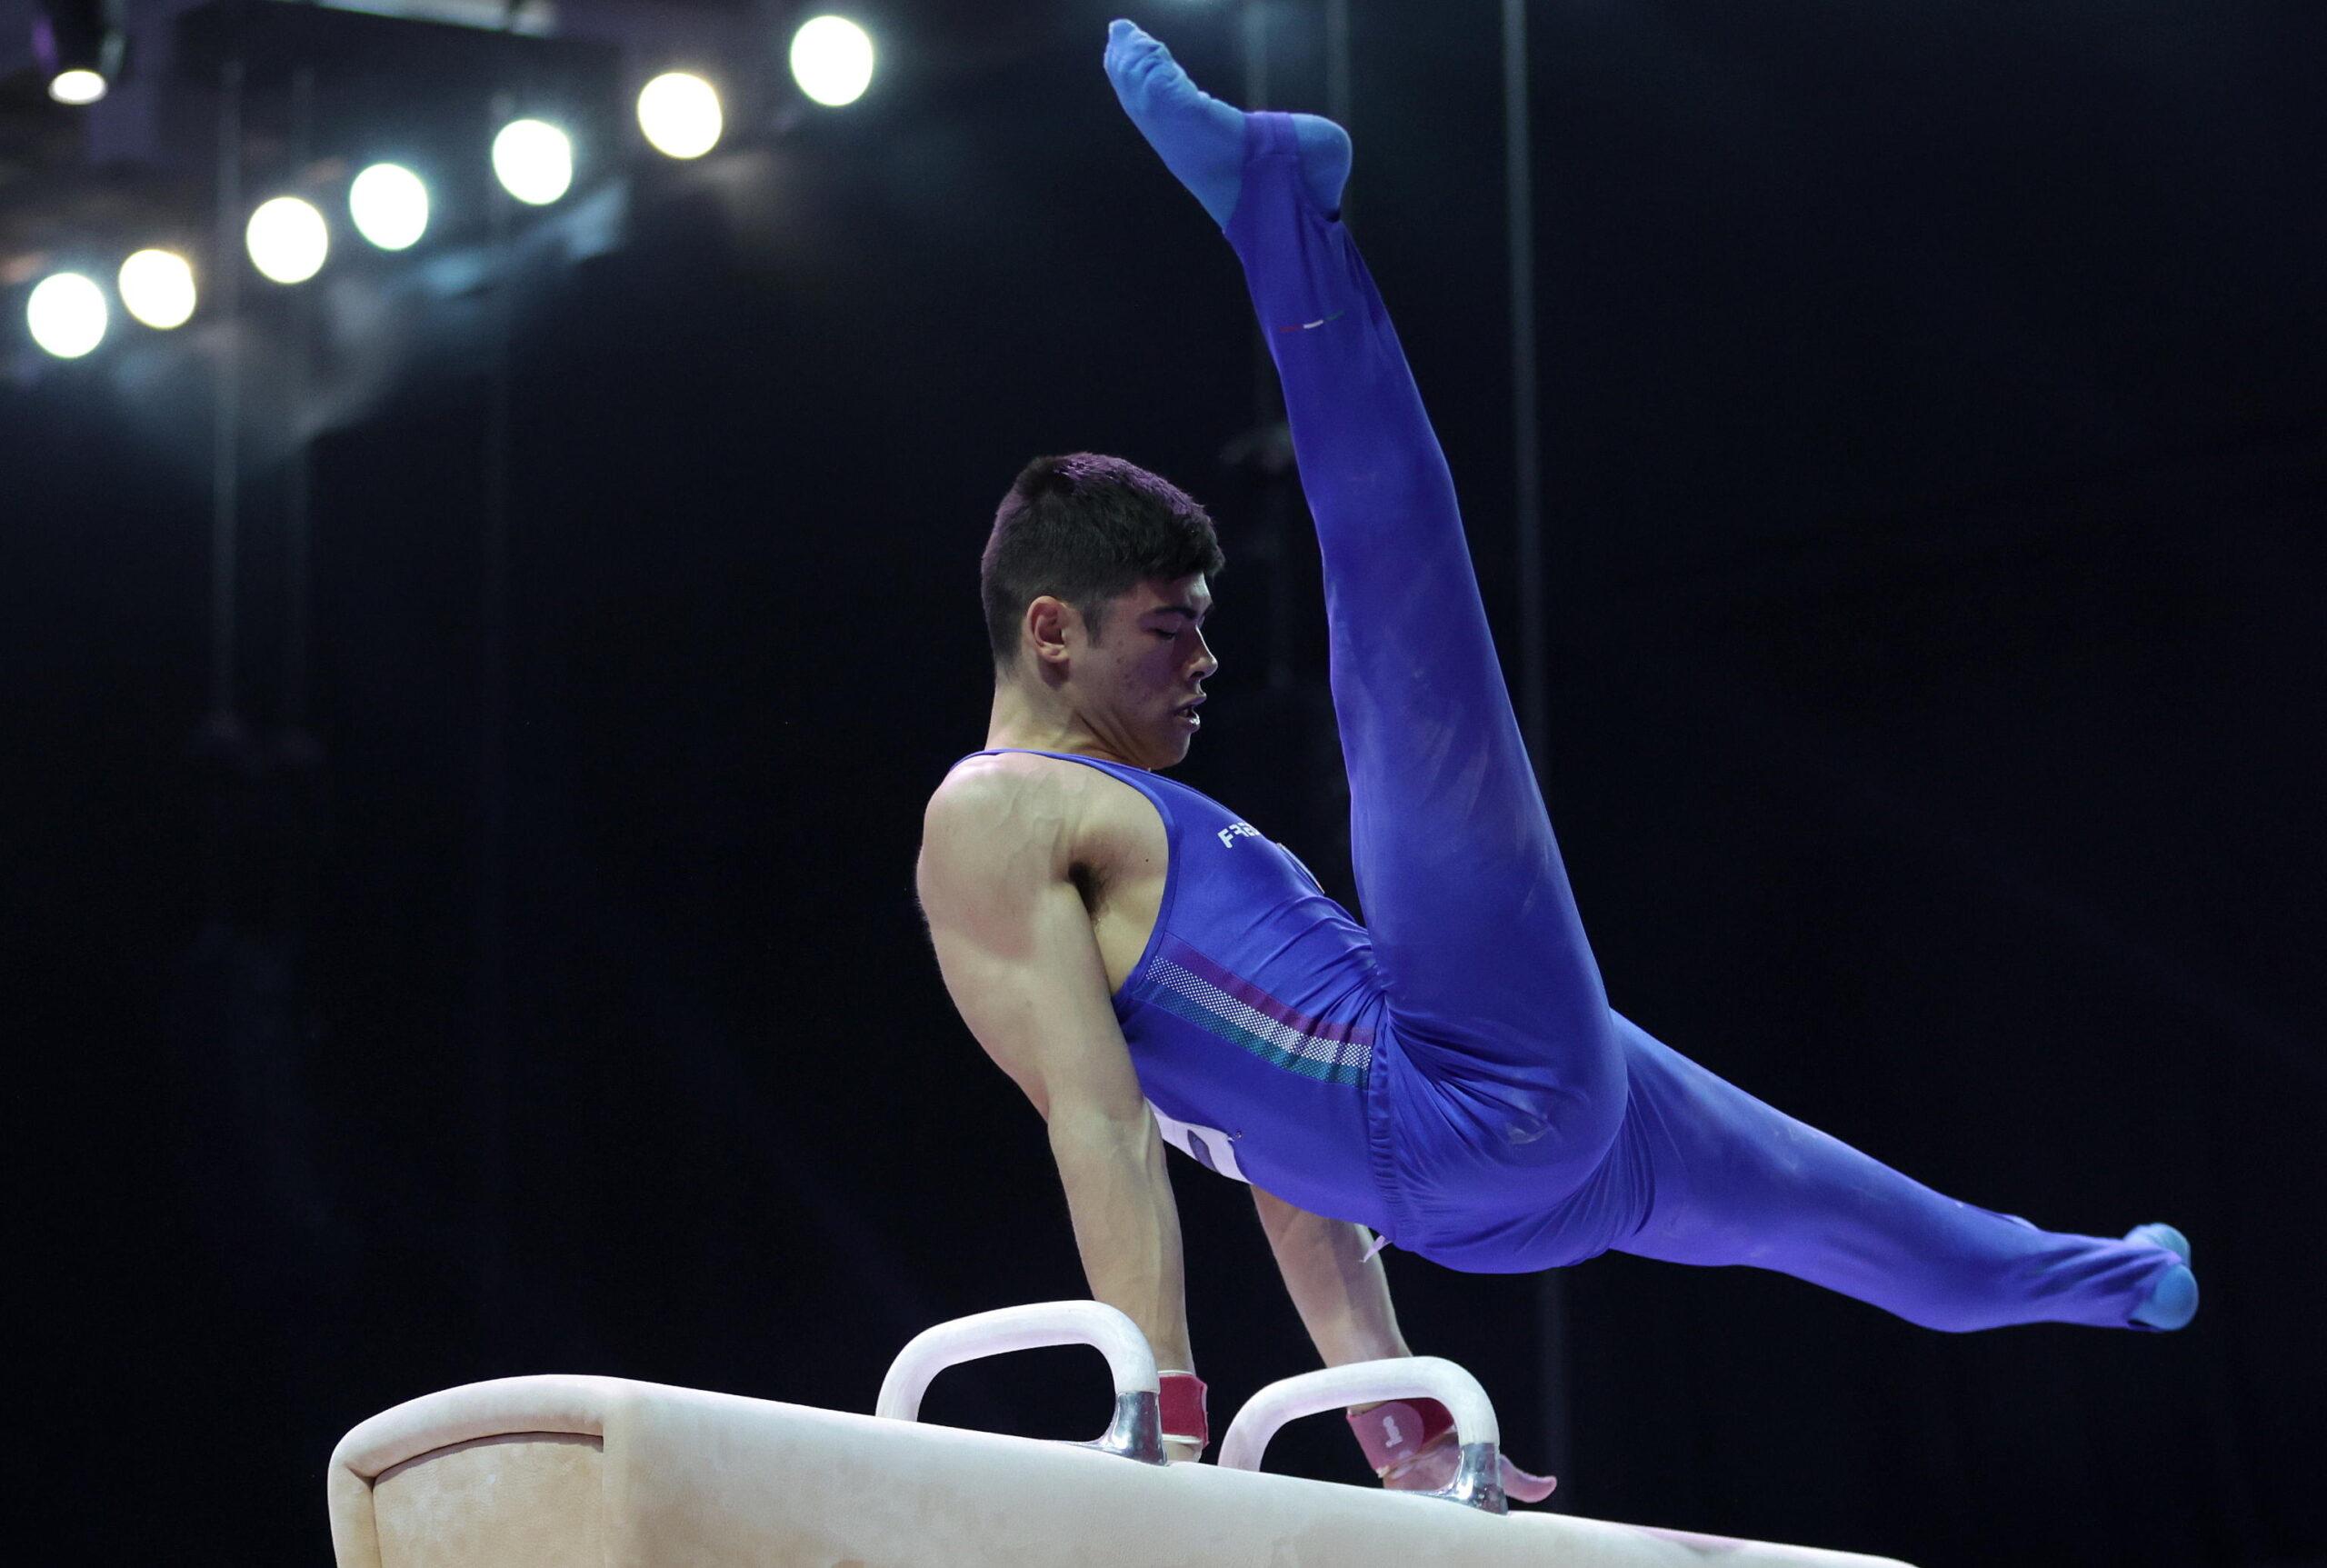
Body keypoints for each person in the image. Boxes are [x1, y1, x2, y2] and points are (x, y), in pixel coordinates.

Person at [914, 19, 2196, 1499]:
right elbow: (1106, 1121)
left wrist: (1385, 1415)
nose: (1203, 660)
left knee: (1859, 1218)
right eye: (1166, 630)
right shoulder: (997, 816)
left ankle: (2114, 1282)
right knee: (1399, 624)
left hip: (1491, 1130)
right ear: (1053, 632)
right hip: (1457, 1104)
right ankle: (1275, 200)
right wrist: (1160, 1407)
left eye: (1205, 628)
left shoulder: (1153, 822)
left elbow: (1280, 1163)